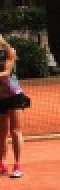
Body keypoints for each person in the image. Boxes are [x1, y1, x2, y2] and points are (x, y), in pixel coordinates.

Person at [0, 35, 30, 178]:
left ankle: (17, 165)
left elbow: (6, 73)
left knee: (15, 130)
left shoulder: (9, 51)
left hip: (14, 95)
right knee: (1, 133)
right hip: (0, 98)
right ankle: (2, 163)